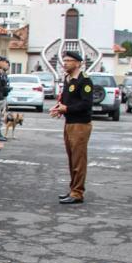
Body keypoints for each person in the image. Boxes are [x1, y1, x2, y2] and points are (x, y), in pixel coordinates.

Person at [49, 50, 92, 204]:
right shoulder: (68, 79)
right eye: (64, 60)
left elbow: (86, 104)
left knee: (79, 160)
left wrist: (66, 109)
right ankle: (73, 188)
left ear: (78, 63)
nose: (64, 63)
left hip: (80, 124)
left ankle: (77, 193)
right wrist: (59, 107)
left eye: (68, 61)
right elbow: (68, 100)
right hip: (70, 123)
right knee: (72, 159)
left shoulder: (84, 80)